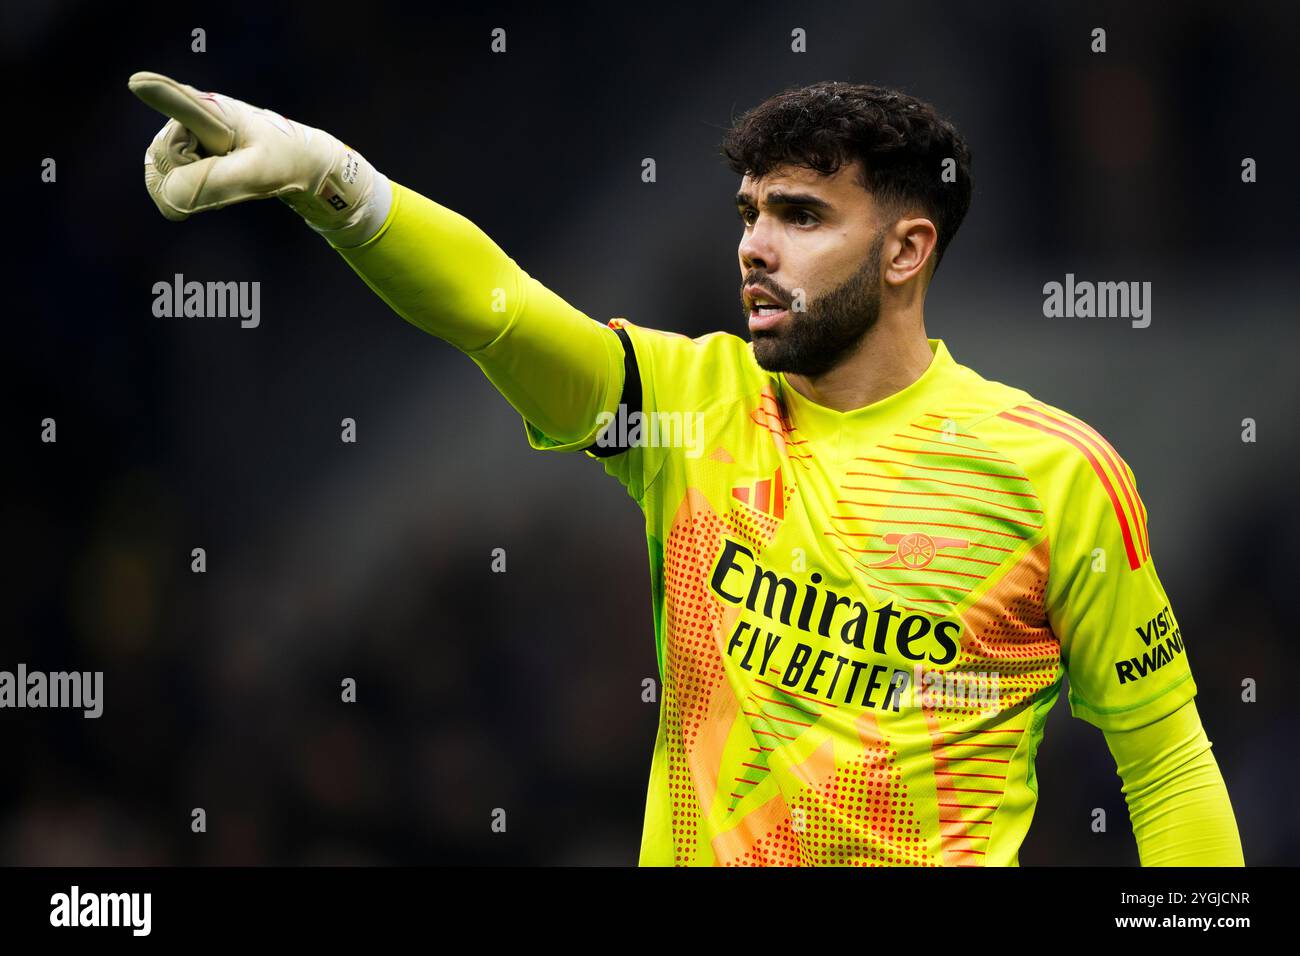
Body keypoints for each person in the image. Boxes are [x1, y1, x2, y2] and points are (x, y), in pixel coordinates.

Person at [129, 71, 1244, 867]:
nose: (755, 243)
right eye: (750, 212)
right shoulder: (690, 404)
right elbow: (497, 313)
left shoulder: (1052, 475)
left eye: (801, 214)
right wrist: (337, 182)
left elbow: (1168, 765)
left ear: (907, 251)